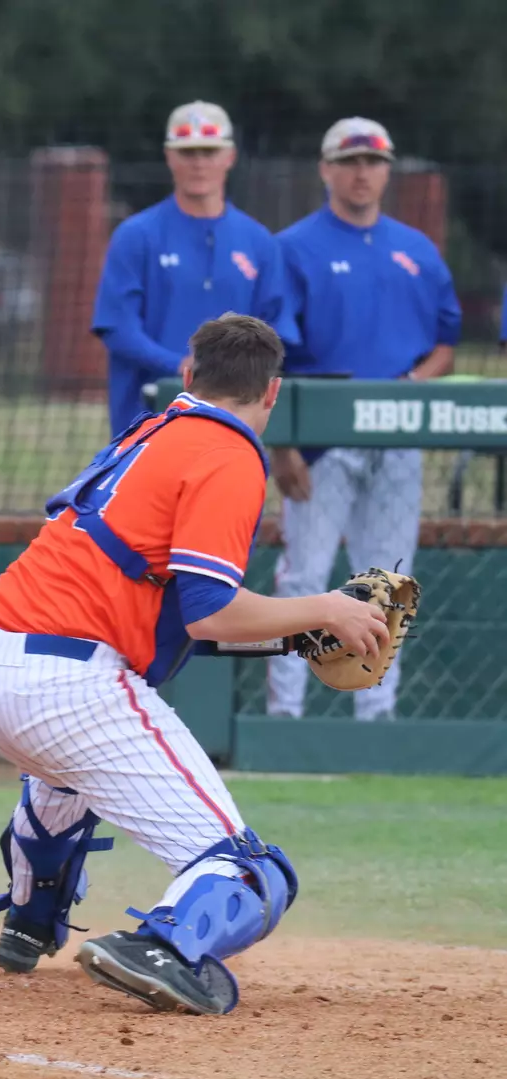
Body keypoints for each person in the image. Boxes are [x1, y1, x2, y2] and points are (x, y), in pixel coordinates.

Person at [0, 313, 390, 1016]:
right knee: (252, 872)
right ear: (273, 392)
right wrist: (326, 608)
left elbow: (176, 617)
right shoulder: (229, 451)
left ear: (187, 376)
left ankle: (30, 918)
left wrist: (296, 634)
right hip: (67, 684)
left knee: (64, 776)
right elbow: (210, 611)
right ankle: (166, 950)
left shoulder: (148, 433)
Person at [266, 118, 460, 722]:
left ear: (386, 170)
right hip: (320, 443)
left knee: (390, 583)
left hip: (397, 436)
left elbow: (445, 343)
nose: (361, 172)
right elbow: (271, 354)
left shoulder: (416, 249)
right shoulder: (293, 247)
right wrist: (282, 447)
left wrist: (413, 385)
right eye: (348, 161)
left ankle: (376, 718)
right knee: (304, 578)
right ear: (326, 169)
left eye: (373, 162)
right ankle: (284, 716)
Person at [90, 102, 295, 435]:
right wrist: (180, 366)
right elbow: (118, 328)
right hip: (147, 420)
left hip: (234, 419)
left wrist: (235, 374)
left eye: (209, 151)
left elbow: (277, 328)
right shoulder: (136, 236)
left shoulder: (259, 242)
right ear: (169, 156)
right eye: (187, 152)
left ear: (230, 156)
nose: (198, 162)